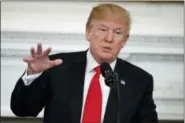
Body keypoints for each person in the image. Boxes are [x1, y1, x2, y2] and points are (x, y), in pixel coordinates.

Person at [10, 3, 158, 123]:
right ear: (88, 32)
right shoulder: (57, 66)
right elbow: (23, 110)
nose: (109, 39)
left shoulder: (139, 80)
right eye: (102, 29)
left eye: (118, 33)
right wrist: (34, 75)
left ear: (125, 40)